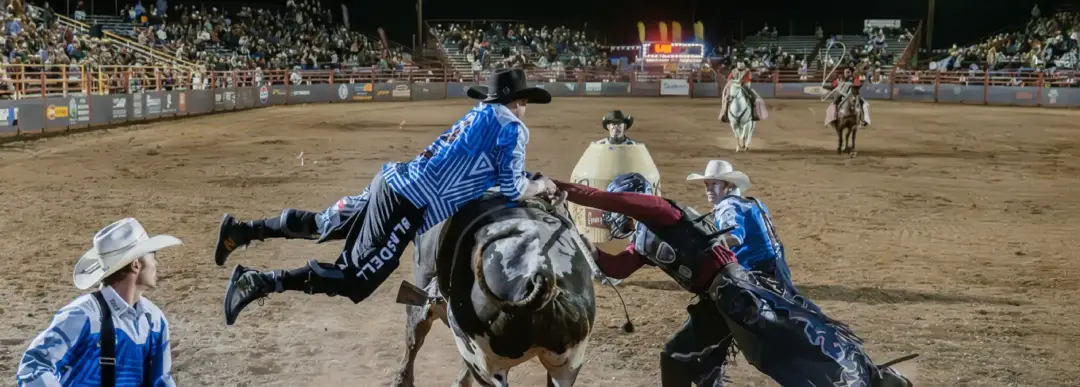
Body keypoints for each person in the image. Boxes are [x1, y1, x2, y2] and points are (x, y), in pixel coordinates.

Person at [222, 68, 557, 325]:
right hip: (407, 205)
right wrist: (541, 185)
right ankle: (259, 281)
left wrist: (525, 178)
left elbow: (489, 172)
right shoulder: (512, 127)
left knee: (325, 223)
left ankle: (245, 230)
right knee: (354, 280)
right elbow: (513, 190)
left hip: (393, 180)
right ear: (518, 102)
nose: (525, 109)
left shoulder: (480, 114)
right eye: (524, 102)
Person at [554, 175, 914, 387]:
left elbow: (604, 199)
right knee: (677, 358)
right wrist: (580, 240)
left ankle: (874, 379)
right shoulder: (644, 240)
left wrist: (557, 188)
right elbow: (615, 269)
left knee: (790, 350)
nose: (615, 214)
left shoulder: (663, 211)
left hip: (738, 292)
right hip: (721, 300)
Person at [16, 218, 181, 387]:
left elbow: (161, 380)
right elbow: (33, 367)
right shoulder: (81, 315)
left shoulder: (155, 319)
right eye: (153, 255)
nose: (156, 263)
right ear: (136, 265)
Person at [687, 160, 800, 297]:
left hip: (758, 272)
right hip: (778, 267)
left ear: (728, 185)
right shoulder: (751, 202)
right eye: (707, 184)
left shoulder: (728, 206)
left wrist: (706, 246)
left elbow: (734, 237)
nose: (708, 189)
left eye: (714, 184)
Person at [213, 188, 371, 266]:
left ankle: (245, 231)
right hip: (385, 197)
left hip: (388, 199)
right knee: (322, 224)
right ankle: (242, 231)